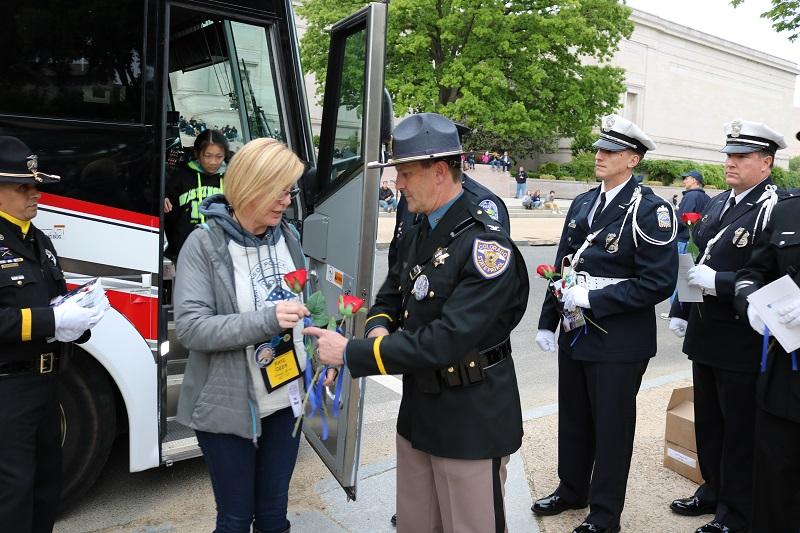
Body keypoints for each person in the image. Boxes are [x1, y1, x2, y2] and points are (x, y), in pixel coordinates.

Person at [305, 113, 529, 533]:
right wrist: (376, 328)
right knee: (415, 524)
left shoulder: (485, 246)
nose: (398, 184)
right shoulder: (418, 228)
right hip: (420, 410)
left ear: (440, 172)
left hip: (470, 417)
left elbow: (446, 341)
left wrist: (352, 352)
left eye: (405, 173)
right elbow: (390, 295)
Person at [173, 138, 335, 533]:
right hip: (225, 405)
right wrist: (267, 320)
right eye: (278, 190)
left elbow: (305, 306)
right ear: (248, 185)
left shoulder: (288, 238)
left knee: (274, 517)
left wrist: (320, 350)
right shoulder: (203, 244)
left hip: (285, 399)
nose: (286, 201)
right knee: (234, 519)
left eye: (290, 191)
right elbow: (192, 328)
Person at [532, 114, 677, 533]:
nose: (599, 155)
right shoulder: (582, 202)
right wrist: (548, 321)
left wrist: (595, 298)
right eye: (599, 148)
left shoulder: (651, 210)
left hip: (619, 340)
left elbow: (658, 283)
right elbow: (563, 266)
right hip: (575, 331)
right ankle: (571, 488)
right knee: (574, 416)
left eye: (610, 151)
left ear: (632, 159)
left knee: (612, 428)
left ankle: (604, 514)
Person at [667, 120, 787, 533]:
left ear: (766, 162)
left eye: (741, 156)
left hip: (741, 333)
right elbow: (692, 255)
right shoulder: (719, 203)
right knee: (710, 420)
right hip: (706, 332)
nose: (730, 163)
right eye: (729, 155)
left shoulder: (774, 207)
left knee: (739, 426)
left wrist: (716, 283)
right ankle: (713, 488)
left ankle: (736, 510)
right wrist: (683, 308)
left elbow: (773, 279)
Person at [0, 136, 107, 533]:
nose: (34, 193)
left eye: (35, 184)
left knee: (46, 492)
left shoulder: (40, 241)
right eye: (22, 186)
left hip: (48, 384)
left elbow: (56, 305)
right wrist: (50, 322)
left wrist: (79, 317)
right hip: (7, 389)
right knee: (11, 497)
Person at [734, 187, 800, 532]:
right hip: (785, 377)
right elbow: (753, 271)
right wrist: (752, 306)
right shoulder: (788, 209)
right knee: (775, 481)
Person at [164, 129, 230, 261]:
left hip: (221, 253)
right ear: (197, 154)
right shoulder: (181, 176)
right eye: (208, 155)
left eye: (219, 156)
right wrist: (163, 198)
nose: (213, 162)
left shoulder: (231, 179)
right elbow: (166, 205)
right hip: (185, 252)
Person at [661, 169, 713, 315]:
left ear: (695, 181)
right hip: (696, 242)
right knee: (689, 277)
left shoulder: (691, 196)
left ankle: (675, 311)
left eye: (687, 178)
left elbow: (681, 220)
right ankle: (685, 311)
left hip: (684, 240)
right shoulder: (707, 197)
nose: (684, 181)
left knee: (680, 276)